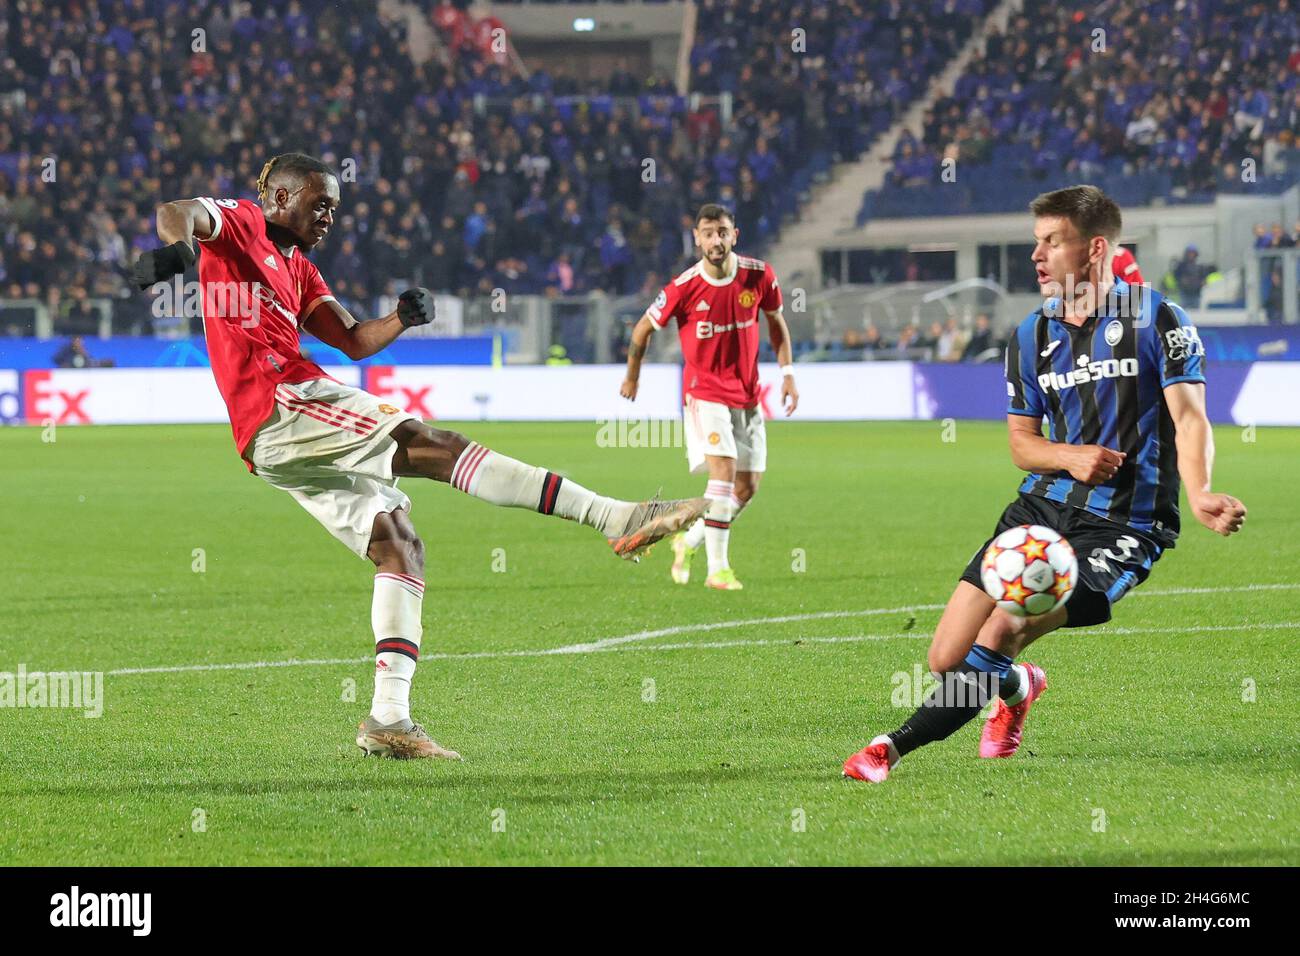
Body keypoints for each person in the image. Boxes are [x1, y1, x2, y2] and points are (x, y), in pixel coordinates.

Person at [131, 153, 707, 761]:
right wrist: (177, 255)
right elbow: (178, 213)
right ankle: (617, 518)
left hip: (280, 433)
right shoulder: (243, 223)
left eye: (333, 206)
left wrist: (400, 319)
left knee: (397, 543)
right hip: (281, 399)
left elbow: (352, 339)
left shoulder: (298, 268)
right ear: (278, 199)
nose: (328, 215)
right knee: (432, 446)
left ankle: (388, 719)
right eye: (317, 203)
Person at [843, 185, 1246, 783]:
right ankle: (1019, 687)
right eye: (1037, 242)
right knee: (946, 657)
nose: (1037, 256)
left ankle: (886, 750)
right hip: (1041, 509)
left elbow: (1189, 417)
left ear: (1095, 248)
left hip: (1125, 524)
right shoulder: (1032, 335)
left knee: (1005, 627)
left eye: (1052, 242)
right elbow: (1021, 446)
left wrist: (1201, 491)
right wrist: (1071, 457)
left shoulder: (1158, 318)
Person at [619, 203, 798, 592]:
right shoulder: (683, 287)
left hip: (748, 397)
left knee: (746, 489)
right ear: (697, 238)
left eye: (722, 232)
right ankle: (718, 570)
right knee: (724, 473)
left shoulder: (758, 275)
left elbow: (777, 324)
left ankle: (691, 539)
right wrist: (632, 377)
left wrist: (787, 374)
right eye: (708, 233)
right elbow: (641, 331)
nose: (716, 240)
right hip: (705, 395)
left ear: (735, 234)